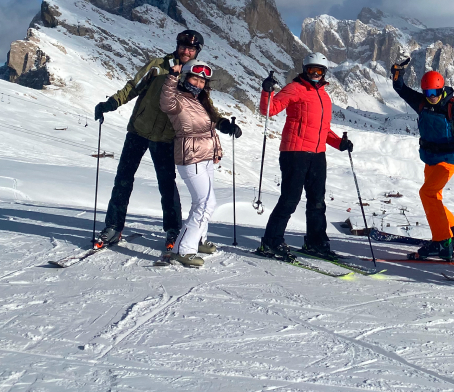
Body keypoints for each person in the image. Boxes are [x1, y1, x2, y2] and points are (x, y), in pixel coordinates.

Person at [93, 29, 240, 258]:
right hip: (139, 130)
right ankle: (113, 227)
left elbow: (205, 107)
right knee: (123, 179)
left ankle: (173, 231)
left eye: (191, 48)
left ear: (197, 51)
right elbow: (133, 87)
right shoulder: (158, 65)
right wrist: (110, 104)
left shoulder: (193, 74)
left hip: (166, 139)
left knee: (167, 185)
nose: (186, 51)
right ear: (177, 45)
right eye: (183, 46)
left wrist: (222, 124)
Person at [255, 52, 353, 261]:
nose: (315, 74)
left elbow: (323, 129)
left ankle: (316, 242)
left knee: (317, 201)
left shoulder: (324, 97)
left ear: (324, 73)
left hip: (318, 155)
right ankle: (271, 241)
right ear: (305, 70)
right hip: (295, 153)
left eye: (319, 71)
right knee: (290, 199)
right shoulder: (295, 88)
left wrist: (339, 143)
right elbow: (269, 110)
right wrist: (266, 91)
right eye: (311, 70)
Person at [390, 58, 454, 261]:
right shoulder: (421, 102)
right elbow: (402, 90)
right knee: (434, 197)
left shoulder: (452, 106)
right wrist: (398, 73)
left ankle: (442, 242)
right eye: (428, 93)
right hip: (429, 159)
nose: (432, 97)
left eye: (436, 93)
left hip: (448, 159)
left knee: (427, 193)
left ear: (442, 90)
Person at [159, 60, 232, 267]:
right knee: (206, 203)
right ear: (185, 78)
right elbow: (165, 103)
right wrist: (172, 77)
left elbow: (208, 131)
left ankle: (198, 239)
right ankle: (184, 249)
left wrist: (218, 146)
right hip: (191, 156)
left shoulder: (200, 100)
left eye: (202, 81)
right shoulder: (177, 99)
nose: (198, 83)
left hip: (205, 157)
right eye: (194, 78)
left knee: (203, 201)